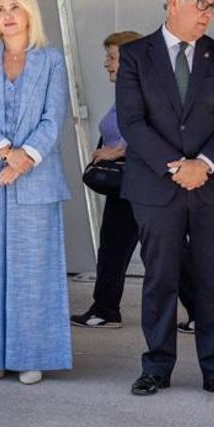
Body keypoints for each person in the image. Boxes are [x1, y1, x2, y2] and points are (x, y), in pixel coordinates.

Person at [117, 0, 214, 403]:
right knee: (160, 279)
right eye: (202, 4)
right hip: (157, 186)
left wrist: (204, 165)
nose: (209, 13)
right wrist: (177, 167)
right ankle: (156, 367)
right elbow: (132, 122)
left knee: (212, 280)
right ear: (174, 2)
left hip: (212, 188)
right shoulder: (136, 55)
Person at [0, 0, 72, 385]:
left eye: (15, 7)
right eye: (0, 7)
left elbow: (53, 118)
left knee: (32, 271)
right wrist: (7, 153)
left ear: (29, 14)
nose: (7, 14)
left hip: (37, 181)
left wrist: (25, 160)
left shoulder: (52, 60)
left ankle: (31, 356)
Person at [71, 30, 144, 328]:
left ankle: (202, 315)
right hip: (124, 185)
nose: (106, 63)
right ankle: (105, 309)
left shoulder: (144, 92)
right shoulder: (126, 92)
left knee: (168, 252)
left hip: (140, 182)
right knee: (113, 247)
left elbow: (154, 130)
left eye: (112, 57)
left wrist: (118, 152)